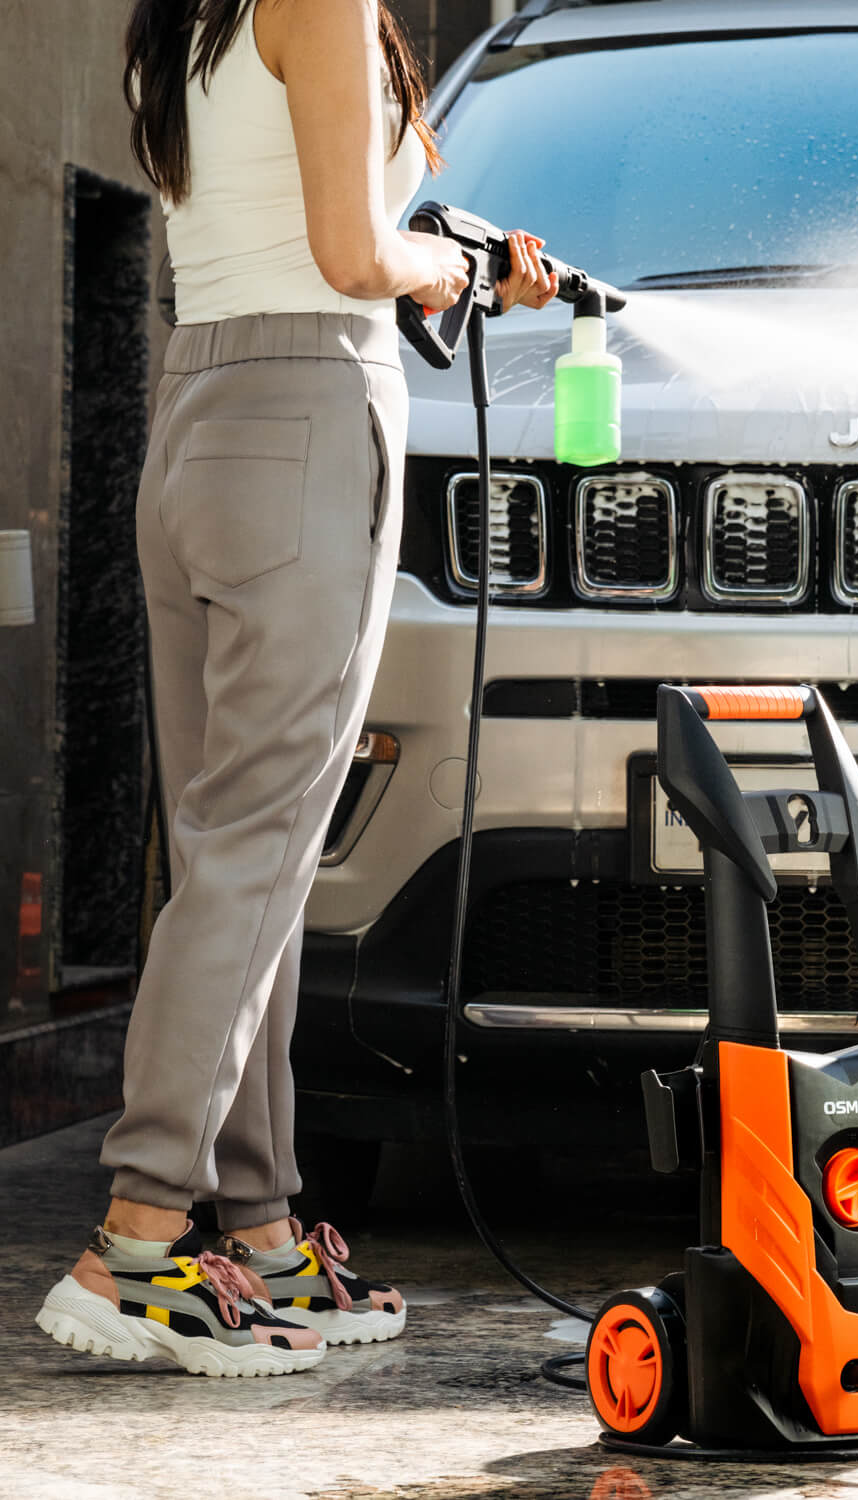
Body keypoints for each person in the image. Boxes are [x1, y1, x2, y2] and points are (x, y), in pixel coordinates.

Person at [34, 0, 556, 1377]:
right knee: (257, 852)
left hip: (201, 410)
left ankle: (259, 1234)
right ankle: (140, 1243)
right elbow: (346, 252)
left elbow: (286, 219)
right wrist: (448, 273)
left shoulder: (184, 20)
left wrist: (432, 251)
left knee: (230, 851)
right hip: (311, 412)